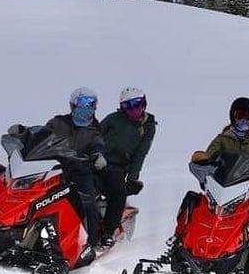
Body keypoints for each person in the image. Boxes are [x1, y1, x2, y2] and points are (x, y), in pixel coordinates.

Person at [8, 87, 108, 260]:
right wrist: (23, 132)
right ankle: (12, 232)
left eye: (91, 104)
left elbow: (98, 145)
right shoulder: (58, 122)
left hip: (80, 171)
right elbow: (40, 135)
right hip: (53, 168)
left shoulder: (94, 131)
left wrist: (98, 155)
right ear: (73, 105)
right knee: (28, 196)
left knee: (87, 202)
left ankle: (91, 243)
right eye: (83, 103)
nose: (87, 108)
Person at [190, 97, 249, 198]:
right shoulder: (223, 137)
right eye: (240, 115)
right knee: (209, 199)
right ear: (233, 116)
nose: (243, 120)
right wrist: (201, 157)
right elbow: (211, 153)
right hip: (228, 182)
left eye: (247, 116)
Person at [97, 86, 157, 247]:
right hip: (97, 161)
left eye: (136, 104)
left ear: (144, 103)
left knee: (118, 193)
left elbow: (140, 153)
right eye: (127, 106)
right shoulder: (113, 119)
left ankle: (108, 232)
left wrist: (132, 177)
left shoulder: (148, 126)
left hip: (117, 167)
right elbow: (95, 136)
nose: (133, 110)